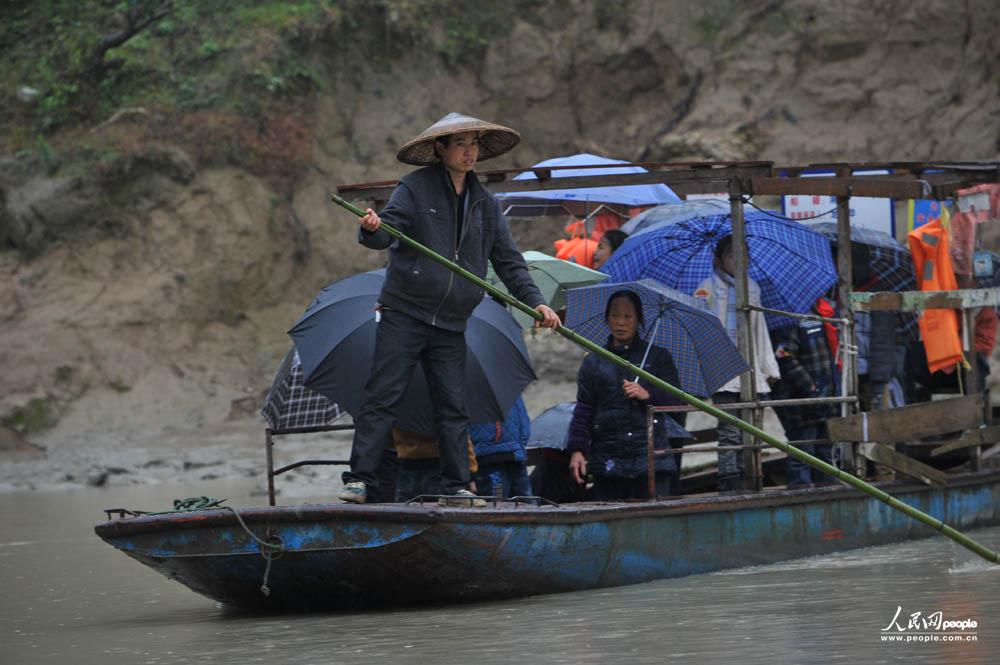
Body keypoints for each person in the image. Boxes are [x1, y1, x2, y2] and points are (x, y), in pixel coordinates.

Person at [338, 113, 559, 504]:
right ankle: (360, 478)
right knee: (383, 395)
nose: (469, 151)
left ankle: (455, 485)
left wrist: (537, 303)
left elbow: (509, 262)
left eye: (473, 143)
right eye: (460, 144)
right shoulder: (414, 188)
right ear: (440, 149)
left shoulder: (486, 205)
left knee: (452, 405)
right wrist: (372, 228)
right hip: (404, 311)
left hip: (451, 320)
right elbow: (387, 232)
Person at [566, 290, 683, 500]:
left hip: (651, 459)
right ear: (606, 319)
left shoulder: (658, 357)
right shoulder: (593, 362)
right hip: (608, 459)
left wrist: (648, 394)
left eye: (628, 316)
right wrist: (577, 449)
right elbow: (584, 409)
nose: (621, 322)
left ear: (638, 320)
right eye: (615, 315)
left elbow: (676, 401)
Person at [693, 236, 780, 492]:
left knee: (754, 433)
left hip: (751, 370)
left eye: (745, 255)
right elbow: (700, 331)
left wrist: (768, 367)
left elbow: (759, 328)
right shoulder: (705, 288)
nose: (741, 261)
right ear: (719, 260)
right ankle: (729, 487)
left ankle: (753, 482)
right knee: (730, 434)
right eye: (734, 255)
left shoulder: (752, 287)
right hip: (723, 373)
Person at [769, 299, 838, 488]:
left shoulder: (820, 313)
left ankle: (826, 494)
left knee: (824, 449)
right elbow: (784, 356)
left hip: (823, 394)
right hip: (800, 398)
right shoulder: (788, 319)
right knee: (803, 448)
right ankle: (801, 495)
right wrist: (810, 387)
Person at [392, 428, 479, 503]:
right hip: (437, 464)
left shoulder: (401, 412)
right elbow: (460, 439)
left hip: (406, 464)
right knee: (436, 514)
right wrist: (470, 473)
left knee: (404, 512)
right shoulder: (442, 411)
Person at [469, 397, 532, 498]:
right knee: (526, 504)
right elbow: (524, 425)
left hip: (492, 457)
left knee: (498, 505)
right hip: (510, 456)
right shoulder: (507, 387)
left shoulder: (469, 392)